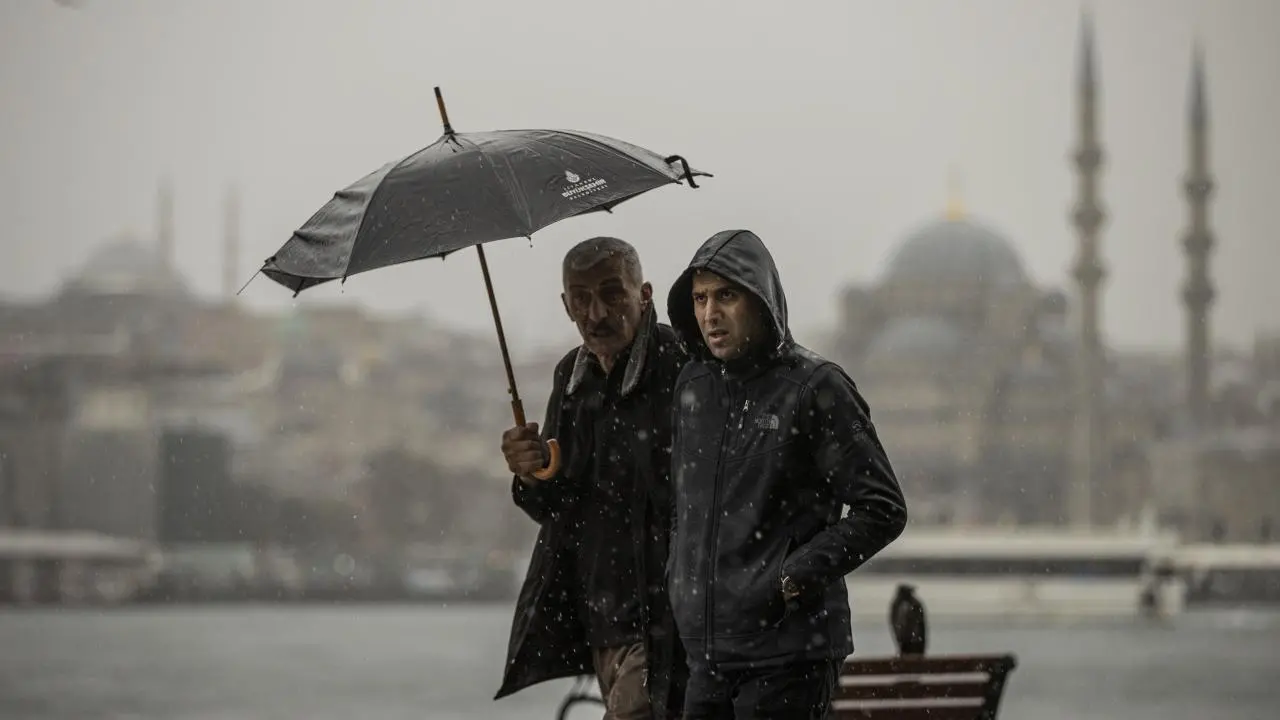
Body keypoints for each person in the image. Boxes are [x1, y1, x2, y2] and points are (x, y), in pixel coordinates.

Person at [664, 229, 909, 719]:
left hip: (788, 653)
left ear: (760, 300)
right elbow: (686, 507)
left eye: (726, 296)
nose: (710, 314)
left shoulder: (815, 387)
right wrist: (680, 577)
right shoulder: (693, 386)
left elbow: (882, 509)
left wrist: (791, 577)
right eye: (699, 298)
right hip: (707, 654)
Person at [494, 237, 689, 720]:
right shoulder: (572, 377)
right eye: (581, 298)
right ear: (566, 305)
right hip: (602, 615)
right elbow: (555, 506)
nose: (596, 313)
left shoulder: (681, 363)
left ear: (644, 295)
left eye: (612, 294)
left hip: (669, 614)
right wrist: (534, 470)